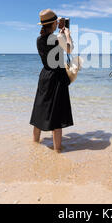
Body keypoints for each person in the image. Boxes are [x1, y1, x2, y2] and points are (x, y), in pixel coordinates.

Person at [30, 9, 74, 153]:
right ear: (54, 23)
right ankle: (57, 150)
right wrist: (67, 35)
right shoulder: (57, 39)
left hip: (45, 75)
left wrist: (60, 34)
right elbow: (69, 49)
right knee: (57, 114)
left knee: (40, 109)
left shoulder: (39, 39)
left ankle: (35, 143)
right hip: (57, 77)